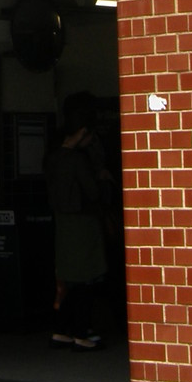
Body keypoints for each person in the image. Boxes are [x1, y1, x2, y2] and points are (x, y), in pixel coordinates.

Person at [44, 92, 111, 349]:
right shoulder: (78, 160)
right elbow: (92, 192)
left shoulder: (52, 158)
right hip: (83, 223)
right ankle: (82, 331)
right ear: (82, 132)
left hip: (62, 223)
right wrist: (103, 178)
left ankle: (62, 329)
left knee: (68, 279)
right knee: (86, 279)